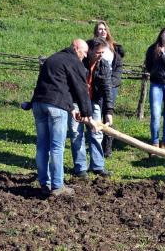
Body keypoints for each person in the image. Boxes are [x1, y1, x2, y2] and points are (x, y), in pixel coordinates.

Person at [31, 39, 97, 197]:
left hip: (39, 104)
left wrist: (70, 109)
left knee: (42, 146)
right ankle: (58, 186)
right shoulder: (74, 62)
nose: (86, 55)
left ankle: (44, 183)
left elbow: (57, 86)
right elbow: (81, 89)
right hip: (55, 108)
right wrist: (87, 115)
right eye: (84, 51)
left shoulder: (53, 58)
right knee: (57, 146)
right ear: (75, 48)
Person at [68, 37, 113, 179]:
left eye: (102, 53)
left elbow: (107, 88)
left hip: (94, 102)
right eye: (98, 52)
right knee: (76, 133)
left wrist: (109, 111)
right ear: (90, 50)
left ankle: (98, 166)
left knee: (96, 132)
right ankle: (80, 168)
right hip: (76, 101)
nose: (101, 55)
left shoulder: (104, 65)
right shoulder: (79, 62)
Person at [93, 20, 125, 158]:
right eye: (100, 29)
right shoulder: (92, 46)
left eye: (104, 29)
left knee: (108, 113)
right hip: (96, 85)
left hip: (111, 85)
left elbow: (118, 68)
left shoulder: (114, 48)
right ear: (96, 31)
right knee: (97, 113)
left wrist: (111, 82)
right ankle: (96, 144)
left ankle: (107, 148)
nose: (102, 31)